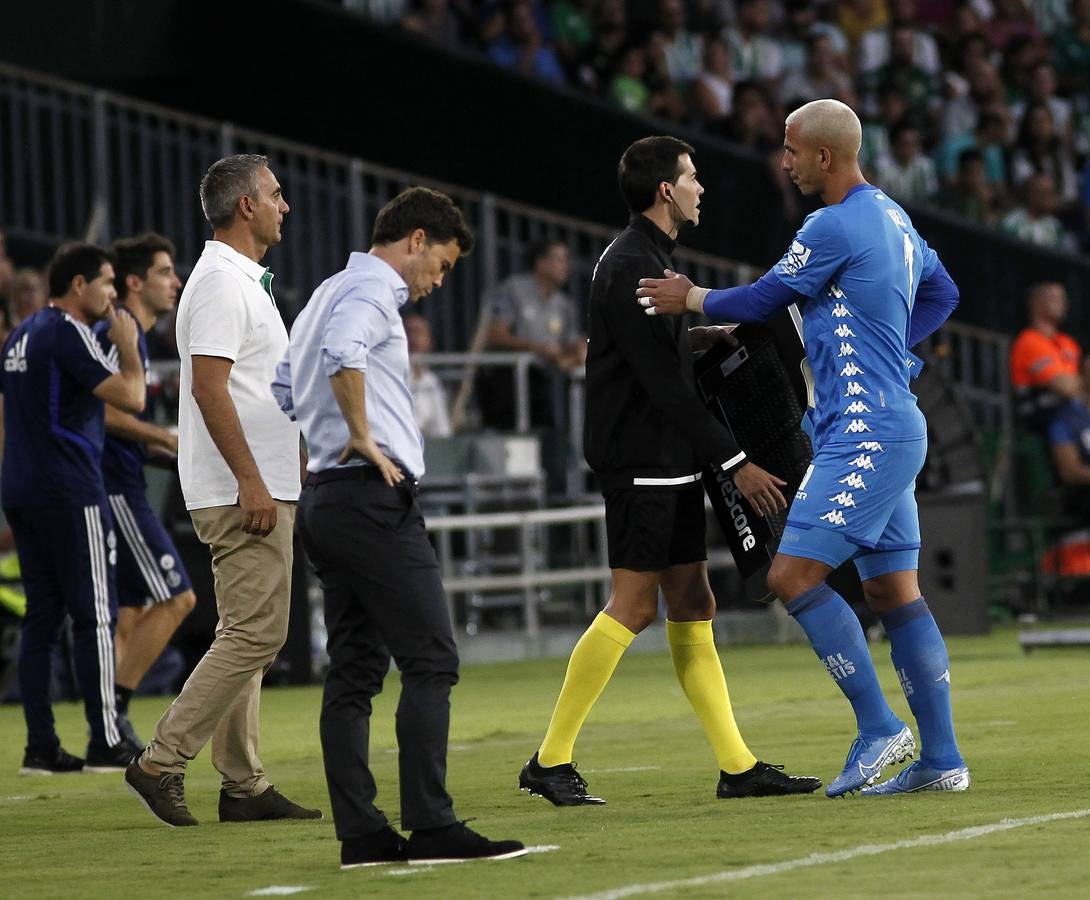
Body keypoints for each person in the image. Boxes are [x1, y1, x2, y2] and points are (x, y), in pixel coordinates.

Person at [638, 100, 970, 796]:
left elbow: (763, 299)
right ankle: (942, 761)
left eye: (791, 150)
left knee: (790, 578)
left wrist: (689, 295)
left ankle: (880, 728)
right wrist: (894, 349)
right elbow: (944, 290)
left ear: (825, 155)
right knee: (891, 590)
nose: (784, 162)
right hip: (892, 422)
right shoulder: (895, 218)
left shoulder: (832, 224)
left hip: (862, 433)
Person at [518, 136, 822, 807]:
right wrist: (736, 460)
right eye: (692, 178)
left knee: (693, 602)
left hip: (666, 459)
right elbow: (664, 388)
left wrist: (697, 335)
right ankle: (550, 759)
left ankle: (736, 766)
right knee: (633, 606)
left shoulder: (646, 257)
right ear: (665, 191)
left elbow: (649, 355)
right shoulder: (634, 264)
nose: (700, 189)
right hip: (643, 459)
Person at [273, 186, 526, 867]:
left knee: (353, 672)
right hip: (369, 498)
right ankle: (432, 824)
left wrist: (322, 446)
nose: (437, 283)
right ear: (415, 240)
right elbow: (342, 353)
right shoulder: (370, 293)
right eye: (440, 265)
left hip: (327, 497)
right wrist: (358, 434)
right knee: (432, 658)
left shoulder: (325, 290)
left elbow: (282, 387)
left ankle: (361, 833)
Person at [125, 154, 321, 827]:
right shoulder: (218, 283)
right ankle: (160, 760)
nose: (284, 206)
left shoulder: (237, 280)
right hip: (244, 488)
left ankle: (243, 785)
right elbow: (207, 387)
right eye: (275, 194)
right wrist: (250, 479)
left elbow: (245, 386)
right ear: (246, 207)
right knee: (257, 634)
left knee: (248, 633)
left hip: (258, 480)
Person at [0, 242, 145, 774]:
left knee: (43, 616)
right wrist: (128, 344)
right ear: (78, 285)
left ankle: (40, 744)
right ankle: (106, 739)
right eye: (107, 282)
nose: (113, 293)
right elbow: (132, 398)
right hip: (70, 489)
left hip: (22, 488)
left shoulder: (22, 333)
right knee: (95, 617)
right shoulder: (68, 332)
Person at [93, 233, 197, 745]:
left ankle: (106, 731)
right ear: (134, 282)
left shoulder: (138, 339)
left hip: (121, 479)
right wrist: (166, 436)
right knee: (178, 597)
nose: (175, 281)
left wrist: (183, 450)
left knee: (130, 615)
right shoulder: (119, 333)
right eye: (163, 272)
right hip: (114, 488)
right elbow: (102, 411)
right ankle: (113, 719)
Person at [483, 237, 585, 430]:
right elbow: (495, 335)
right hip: (509, 379)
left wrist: (581, 347)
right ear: (541, 263)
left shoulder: (564, 304)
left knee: (550, 432)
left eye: (566, 260)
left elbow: (569, 342)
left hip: (546, 382)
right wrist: (537, 348)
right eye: (559, 259)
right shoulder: (514, 289)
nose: (566, 266)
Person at [1010, 281, 1082, 431]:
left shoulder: (1068, 343)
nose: (1062, 304)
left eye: (1063, 299)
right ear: (1036, 303)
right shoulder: (1028, 341)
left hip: (1072, 414)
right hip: (1040, 418)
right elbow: (1065, 388)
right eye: (1054, 299)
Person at [404, 311, 452, 438]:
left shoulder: (432, 381)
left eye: (418, 332)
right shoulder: (389, 378)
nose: (412, 338)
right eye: (408, 332)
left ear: (429, 341)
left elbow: (441, 430)